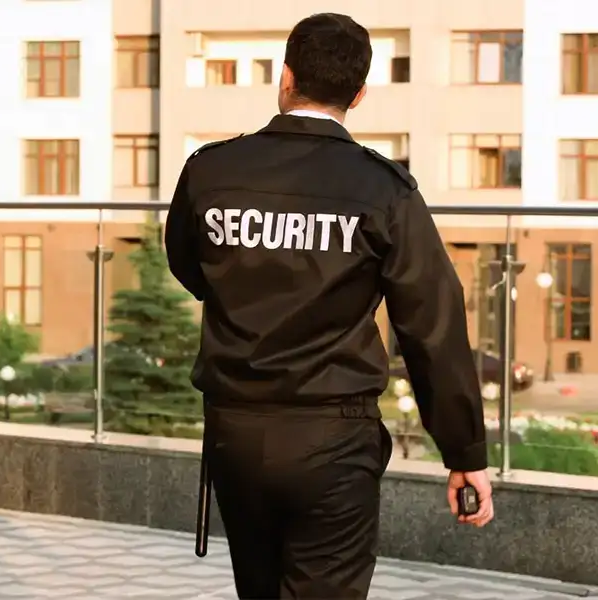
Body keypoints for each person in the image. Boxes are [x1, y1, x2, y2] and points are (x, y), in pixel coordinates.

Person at [164, 12, 494, 600]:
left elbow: (191, 267)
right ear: (359, 94)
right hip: (333, 441)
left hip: (234, 432)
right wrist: (463, 452)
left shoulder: (209, 170)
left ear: (285, 76)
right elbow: (432, 327)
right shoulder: (384, 189)